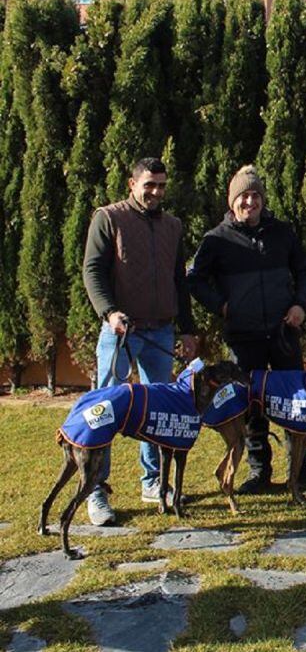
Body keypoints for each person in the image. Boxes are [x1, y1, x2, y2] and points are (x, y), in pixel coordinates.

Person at [187, 165, 306, 494]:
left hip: (283, 332)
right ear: (233, 201)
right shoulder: (216, 240)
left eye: (255, 195)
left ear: (262, 199)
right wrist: (222, 306)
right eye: (243, 196)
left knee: (296, 401)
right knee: (251, 404)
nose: (250, 201)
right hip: (243, 336)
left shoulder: (283, 233)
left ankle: (301, 470)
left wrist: (300, 306)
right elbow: (194, 279)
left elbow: (305, 271)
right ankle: (258, 471)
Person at [82, 157, 198, 525]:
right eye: (149, 184)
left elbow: (180, 282)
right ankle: (95, 490)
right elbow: (93, 270)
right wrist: (109, 312)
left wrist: (188, 328)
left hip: (161, 329)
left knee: (158, 413)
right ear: (132, 184)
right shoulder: (109, 218)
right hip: (121, 330)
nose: (156, 192)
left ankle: (153, 482)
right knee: (104, 412)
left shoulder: (173, 226)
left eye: (161, 185)